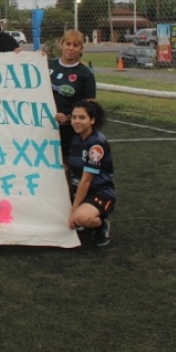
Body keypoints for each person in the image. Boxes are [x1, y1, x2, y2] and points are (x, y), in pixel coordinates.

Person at [67, 99, 115, 247]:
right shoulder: (74, 137)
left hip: (99, 192)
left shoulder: (96, 144)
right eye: (74, 117)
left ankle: (100, 225)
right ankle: (84, 217)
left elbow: (86, 181)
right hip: (78, 190)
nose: (76, 121)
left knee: (81, 218)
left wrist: (73, 211)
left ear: (92, 120)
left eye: (82, 118)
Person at [49, 29, 96, 162]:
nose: (71, 48)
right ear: (61, 44)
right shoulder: (47, 64)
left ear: (81, 49)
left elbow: (90, 106)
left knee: (67, 165)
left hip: (70, 129)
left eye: (75, 45)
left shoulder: (85, 74)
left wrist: (69, 117)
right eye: (68, 44)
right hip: (45, 125)